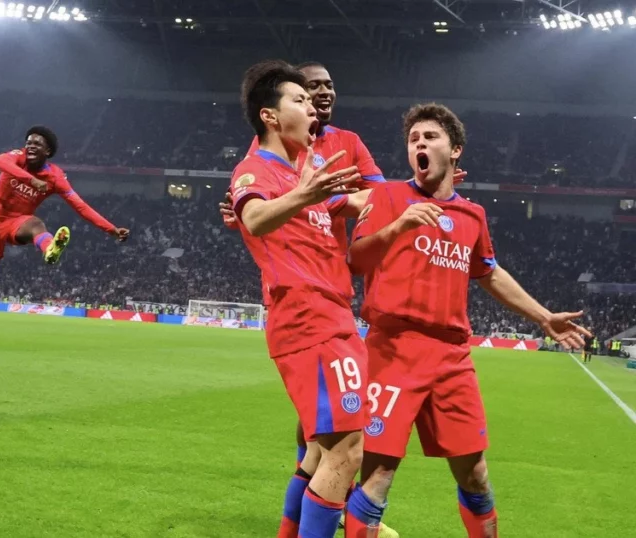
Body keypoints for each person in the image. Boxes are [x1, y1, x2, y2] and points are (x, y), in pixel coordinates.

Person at [345, 103, 590, 537]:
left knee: (475, 474)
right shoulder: (388, 198)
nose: (419, 144)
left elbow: (488, 272)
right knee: (379, 471)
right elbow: (356, 260)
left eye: (430, 137)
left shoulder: (472, 215)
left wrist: (543, 316)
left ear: (455, 149)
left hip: (452, 358)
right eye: (413, 139)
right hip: (393, 349)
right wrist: (399, 227)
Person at [229, 59, 367, 538]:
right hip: (308, 320)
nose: (313, 108)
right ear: (270, 116)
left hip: (333, 316)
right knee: (346, 451)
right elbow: (255, 219)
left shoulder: (304, 173)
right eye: (300, 99)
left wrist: (422, 194)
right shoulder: (254, 170)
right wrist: (305, 195)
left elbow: (362, 202)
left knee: (318, 452)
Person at [0, 125, 130, 363]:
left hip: (18, 221)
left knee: (36, 224)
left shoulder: (55, 177)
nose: (30, 146)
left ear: (48, 151)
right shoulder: (16, 158)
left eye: (37, 144)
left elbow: (80, 206)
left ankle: (50, 248)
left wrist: (111, 229)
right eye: (28, 142)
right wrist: (30, 180)